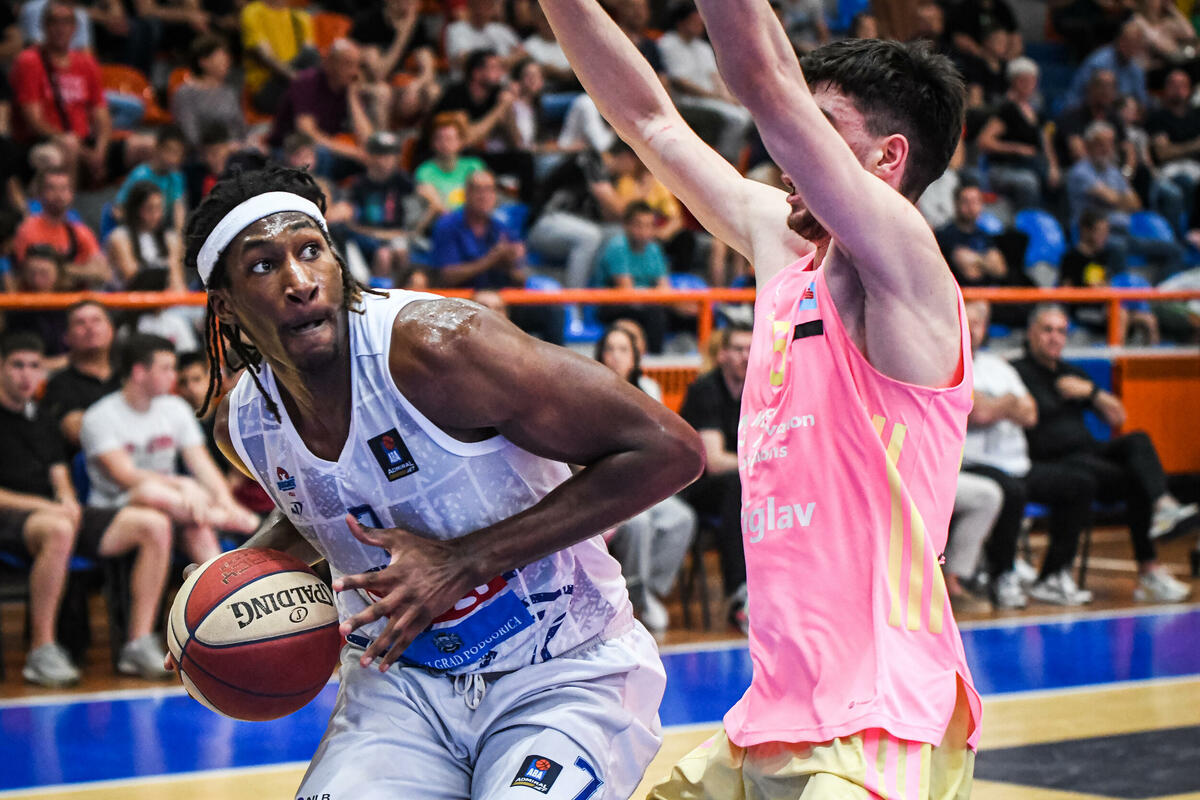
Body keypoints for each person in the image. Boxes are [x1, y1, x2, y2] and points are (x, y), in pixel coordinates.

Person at [545, 0, 980, 795]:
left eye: (818, 128)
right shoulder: (785, 248)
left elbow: (763, 76)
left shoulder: (905, 266)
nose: (785, 157)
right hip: (769, 719)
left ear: (887, 158)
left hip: (880, 720)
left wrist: (780, 94)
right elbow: (649, 121)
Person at [170, 163, 703, 798]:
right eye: (263, 265)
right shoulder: (244, 424)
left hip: (563, 670)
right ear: (225, 305)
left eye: (311, 251)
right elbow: (320, 504)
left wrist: (464, 561)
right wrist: (218, 591)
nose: (300, 282)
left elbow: (668, 450)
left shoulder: (439, 347)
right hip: (400, 688)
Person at [0, 332, 174, 685]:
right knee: (59, 529)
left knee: (153, 524)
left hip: (55, 516)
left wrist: (67, 499)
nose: (26, 375)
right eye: (17, 365)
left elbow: (59, 473)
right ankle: (41, 650)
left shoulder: (42, 418)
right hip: (14, 516)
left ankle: (138, 643)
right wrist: (49, 507)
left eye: (34, 366)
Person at [1013, 304, 1197, 602]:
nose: (1055, 338)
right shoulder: (1018, 372)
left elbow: (1118, 417)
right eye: (1047, 330)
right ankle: (1144, 569)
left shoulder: (1072, 372)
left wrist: (1091, 392)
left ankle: (1163, 505)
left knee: (1137, 440)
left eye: (1061, 331)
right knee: (1129, 479)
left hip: (1087, 453)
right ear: (1031, 333)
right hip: (1051, 460)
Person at [961, 299, 1096, 607]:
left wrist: (994, 404)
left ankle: (1053, 575)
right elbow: (978, 413)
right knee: (1012, 491)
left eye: (979, 323)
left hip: (1017, 464)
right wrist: (1009, 403)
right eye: (967, 321)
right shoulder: (948, 366)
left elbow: (1030, 414)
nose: (973, 329)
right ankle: (1002, 575)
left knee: (1079, 483)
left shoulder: (998, 366)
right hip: (973, 464)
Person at [80, 334, 258, 564]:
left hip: (176, 505)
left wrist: (226, 501)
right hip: (115, 508)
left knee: (198, 528)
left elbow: (202, 465)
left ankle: (224, 584)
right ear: (139, 372)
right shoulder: (99, 416)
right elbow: (126, 477)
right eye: (166, 369)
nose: (173, 376)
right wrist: (182, 484)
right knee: (150, 494)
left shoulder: (175, 408)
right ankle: (237, 521)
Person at [594, 325, 696, 637]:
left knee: (681, 519)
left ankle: (646, 590)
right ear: (600, 355)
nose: (615, 356)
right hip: (607, 486)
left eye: (623, 349)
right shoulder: (589, 388)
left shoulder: (649, 388)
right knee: (639, 524)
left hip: (646, 482)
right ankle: (635, 594)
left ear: (634, 358)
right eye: (610, 349)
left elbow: (659, 442)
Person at [430, 169, 566, 345]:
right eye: (478, 190)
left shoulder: (501, 227)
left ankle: (552, 361)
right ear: (467, 193)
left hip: (502, 303)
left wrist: (511, 263)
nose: (484, 196)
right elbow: (447, 276)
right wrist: (491, 260)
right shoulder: (448, 226)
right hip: (462, 305)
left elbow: (520, 279)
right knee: (488, 310)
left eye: (489, 190)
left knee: (552, 312)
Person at [267, 38, 373, 179]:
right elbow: (307, 133)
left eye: (357, 65)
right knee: (319, 154)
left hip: (325, 147)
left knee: (374, 157)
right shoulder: (306, 82)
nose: (354, 72)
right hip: (288, 148)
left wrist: (353, 97)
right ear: (329, 64)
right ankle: (322, 190)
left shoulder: (347, 87)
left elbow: (369, 141)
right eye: (347, 64)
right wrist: (353, 153)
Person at [593, 201, 671, 354]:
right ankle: (656, 360)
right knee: (655, 313)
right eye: (639, 225)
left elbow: (665, 288)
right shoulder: (617, 247)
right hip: (612, 304)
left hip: (645, 303)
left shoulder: (654, 249)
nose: (644, 231)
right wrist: (657, 295)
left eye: (649, 225)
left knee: (689, 314)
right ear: (626, 226)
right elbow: (627, 291)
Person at [13, 167, 110, 289]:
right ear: (40, 194)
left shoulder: (80, 231)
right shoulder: (28, 229)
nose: (59, 195)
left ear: (71, 194)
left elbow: (102, 273)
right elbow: (34, 273)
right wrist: (81, 271)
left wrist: (60, 269)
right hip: (37, 298)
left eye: (64, 189)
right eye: (52, 188)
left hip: (75, 298)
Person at [40, 300, 117, 452]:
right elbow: (75, 432)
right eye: (80, 323)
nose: (90, 327)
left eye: (96, 320)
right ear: (66, 337)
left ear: (111, 330)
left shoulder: (129, 376)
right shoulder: (59, 384)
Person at [105, 181, 187, 291]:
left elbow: (176, 279)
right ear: (136, 209)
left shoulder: (170, 240)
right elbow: (132, 276)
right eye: (149, 208)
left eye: (159, 208)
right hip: (128, 296)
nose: (156, 214)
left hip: (166, 297)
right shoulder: (119, 237)